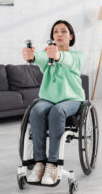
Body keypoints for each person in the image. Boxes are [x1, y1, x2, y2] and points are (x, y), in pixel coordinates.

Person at [22, 20, 85, 185]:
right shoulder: (47, 54)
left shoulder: (78, 56)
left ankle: (53, 164)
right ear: (52, 37)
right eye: (55, 31)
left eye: (63, 31)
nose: (59, 34)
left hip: (72, 99)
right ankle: (39, 162)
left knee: (57, 111)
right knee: (35, 110)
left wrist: (57, 56)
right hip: (48, 99)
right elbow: (40, 57)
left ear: (70, 37)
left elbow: (68, 60)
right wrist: (32, 56)